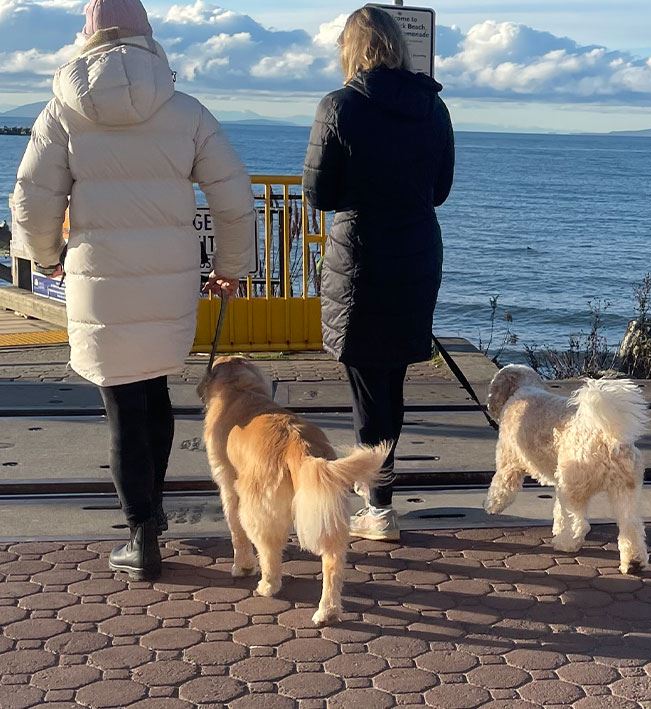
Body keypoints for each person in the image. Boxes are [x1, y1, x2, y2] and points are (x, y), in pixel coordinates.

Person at [13, 0, 255, 580]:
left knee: (123, 406)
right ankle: (155, 515)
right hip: (168, 281)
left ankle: (141, 534)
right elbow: (233, 193)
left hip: (100, 282)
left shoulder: (61, 114)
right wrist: (231, 267)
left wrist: (46, 257)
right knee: (155, 395)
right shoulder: (185, 111)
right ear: (148, 37)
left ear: (87, 39)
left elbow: (31, 197)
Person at [303, 7, 455, 541]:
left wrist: (362, 194)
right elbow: (439, 190)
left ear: (351, 48)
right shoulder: (433, 108)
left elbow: (319, 195)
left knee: (369, 389)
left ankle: (380, 507)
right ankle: (381, 500)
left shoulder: (339, 106)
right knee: (389, 381)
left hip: (362, 256)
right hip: (416, 253)